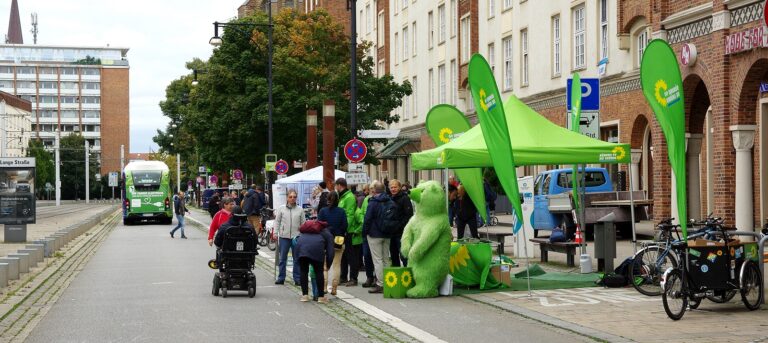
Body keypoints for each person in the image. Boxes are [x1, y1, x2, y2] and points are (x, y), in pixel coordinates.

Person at [294, 218, 334, 303]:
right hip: (317, 249)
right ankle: (321, 297)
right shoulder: (327, 234)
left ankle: (304, 296)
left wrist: (297, 260)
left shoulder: (306, 231)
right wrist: (328, 265)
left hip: (301, 248)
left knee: (303, 271)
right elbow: (330, 251)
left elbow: (297, 244)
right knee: (319, 272)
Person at [317, 191, 348, 295]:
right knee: (337, 264)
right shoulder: (341, 211)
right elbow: (345, 226)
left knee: (324, 265)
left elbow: (319, 226)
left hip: (325, 240)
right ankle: (334, 288)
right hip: (338, 240)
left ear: (327, 200)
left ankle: (324, 287)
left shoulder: (322, 211)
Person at [363, 181, 391, 293]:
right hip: (387, 233)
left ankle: (381, 284)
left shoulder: (373, 202)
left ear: (374, 190)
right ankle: (389, 282)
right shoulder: (389, 201)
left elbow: (367, 219)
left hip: (374, 234)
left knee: (377, 260)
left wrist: (364, 232)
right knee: (386, 259)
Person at [275, 189, 306, 285]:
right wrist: (275, 233)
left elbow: (303, 223)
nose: (292, 198)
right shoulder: (281, 208)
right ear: (287, 198)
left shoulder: (300, 209)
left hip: (296, 237)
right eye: (290, 197)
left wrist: (303, 235)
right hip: (284, 236)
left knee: (297, 259)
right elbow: (277, 221)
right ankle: (281, 278)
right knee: (282, 259)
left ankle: (297, 278)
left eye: (294, 197)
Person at [388, 179, 414, 267]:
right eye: (391, 187)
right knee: (393, 255)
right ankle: (397, 276)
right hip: (392, 232)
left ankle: (408, 275)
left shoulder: (405, 198)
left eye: (395, 187)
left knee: (404, 255)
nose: (393, 189)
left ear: (399, 187)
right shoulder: (389, 198)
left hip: (402, 232)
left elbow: (409, 215)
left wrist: (399, 226)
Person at [356, 182, 376, 287]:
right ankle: (369, 277)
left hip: (375, 231)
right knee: (367, 255)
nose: (372, 190)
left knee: (376, 257)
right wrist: (363, 220)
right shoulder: (366, 199)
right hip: (365, 230)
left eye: (374, 188)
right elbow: (362, 212)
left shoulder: (378, 199)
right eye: (371, 188)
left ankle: (376, 277)